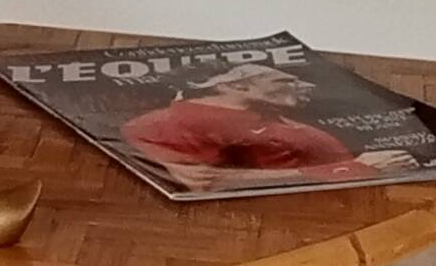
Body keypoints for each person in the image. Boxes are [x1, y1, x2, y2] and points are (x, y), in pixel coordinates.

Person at [121, 63, 364, 189]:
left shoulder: (291, 127)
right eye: (284, 80)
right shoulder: (151, 127)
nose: (308, 85)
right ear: (237, 86)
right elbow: (206, 181)